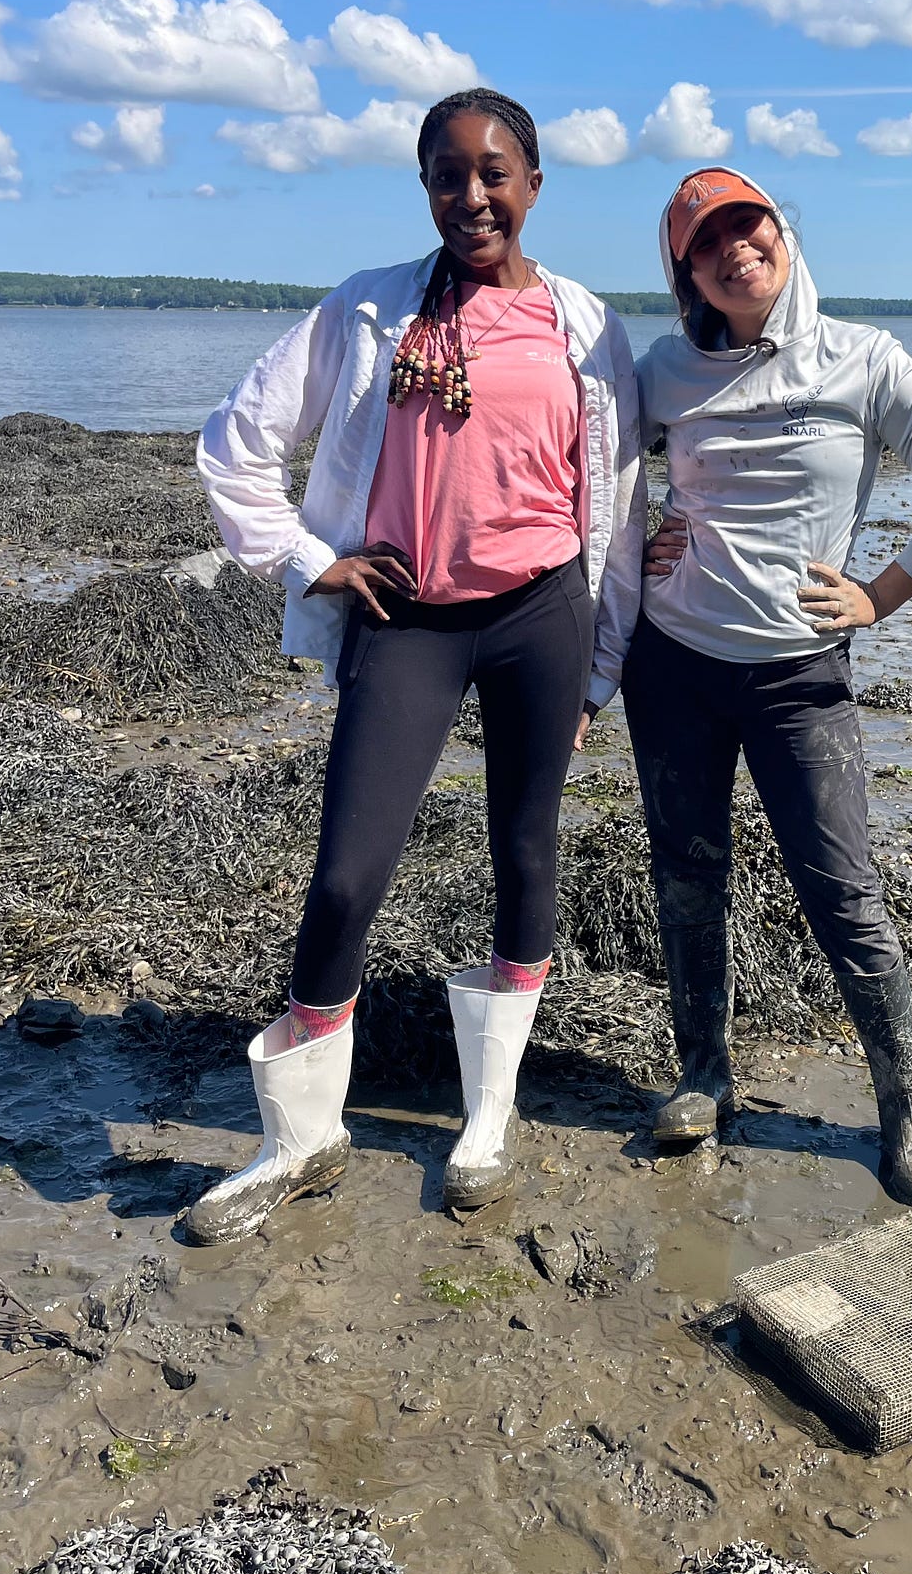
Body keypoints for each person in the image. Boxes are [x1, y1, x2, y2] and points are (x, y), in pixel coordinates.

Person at [186, 89, 644, 1243]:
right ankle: (302, 1136)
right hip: (406, 620)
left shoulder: (586, 325)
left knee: (524, 852)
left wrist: (600, 669)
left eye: (494, 172)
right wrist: (311, 560)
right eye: (448, 174)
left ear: (533, 185)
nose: (471, 194)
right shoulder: (367, 308)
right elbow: (237, 442)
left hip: (542, 613)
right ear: (426, 188)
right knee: (347, 875)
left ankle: (487, 1116)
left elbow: (620, 504)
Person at [623, 168, 912, 1206]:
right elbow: (586, 468)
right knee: (686, 875)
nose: (734, 250)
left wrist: (878, 596)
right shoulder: (662, 370)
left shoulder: (865, 358)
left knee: (843, 892)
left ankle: (906, 1108)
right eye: (707, 243)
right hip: (673, 664)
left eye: (749, 227)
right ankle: (703, 1074)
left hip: (799, 675)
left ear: (782, 235)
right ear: (686, 274)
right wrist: (634, 540)